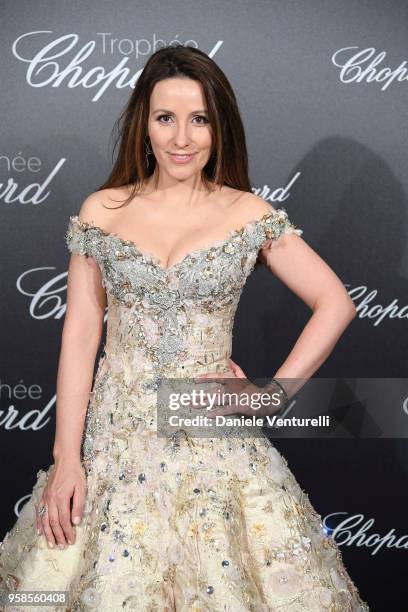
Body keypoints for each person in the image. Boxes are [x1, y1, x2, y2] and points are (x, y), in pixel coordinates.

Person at [0, 45, 369, 611]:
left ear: (219, 127)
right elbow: (79, 335)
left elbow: (335, 302)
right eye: (165, 117)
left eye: (198, 119)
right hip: (114, 440)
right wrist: (67, 458)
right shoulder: (102, 210)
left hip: (208, 431)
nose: (181, 138)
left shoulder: (248, 214)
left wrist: (270, 396)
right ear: (142, 125)